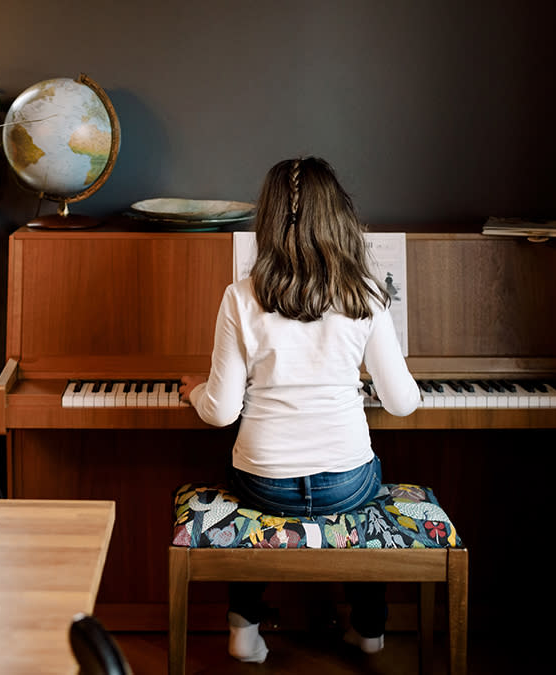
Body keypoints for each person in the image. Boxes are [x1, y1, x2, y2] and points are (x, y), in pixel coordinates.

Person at [180, 156, 421, 663]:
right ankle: (370, 628)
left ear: (266, 220)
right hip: (346, 483)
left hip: (263, 481)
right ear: (339, 217)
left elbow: (220, 412)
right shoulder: (367, 294)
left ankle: (244, 627)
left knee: (243, 488)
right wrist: (358, 377)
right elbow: (402, 404)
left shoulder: (241, 297)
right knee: (370, 487)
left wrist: (194, 391)